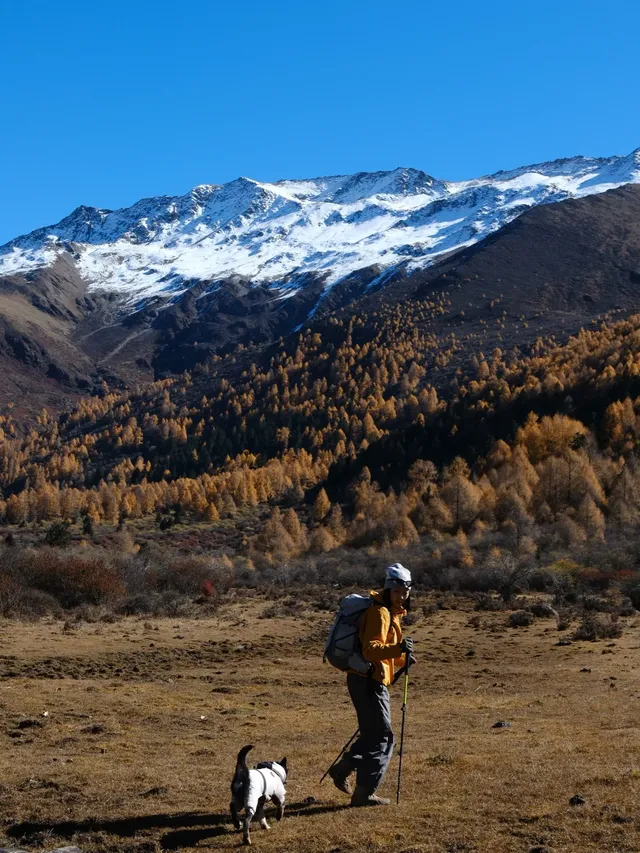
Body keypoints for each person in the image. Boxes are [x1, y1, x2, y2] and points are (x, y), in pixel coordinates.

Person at [329, 563, 415, 806]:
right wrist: (398, 649)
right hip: (368, 681)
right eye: (397, 592)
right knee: (383, 737)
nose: (401, 596)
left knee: (372, 733)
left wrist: (403, 657)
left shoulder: (390, 612)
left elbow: (384, 653)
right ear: (388, 590)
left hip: (365, 679)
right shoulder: (380, 613)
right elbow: (371, 649)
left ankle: (342, 769)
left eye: (405, 592)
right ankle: (364, 793)